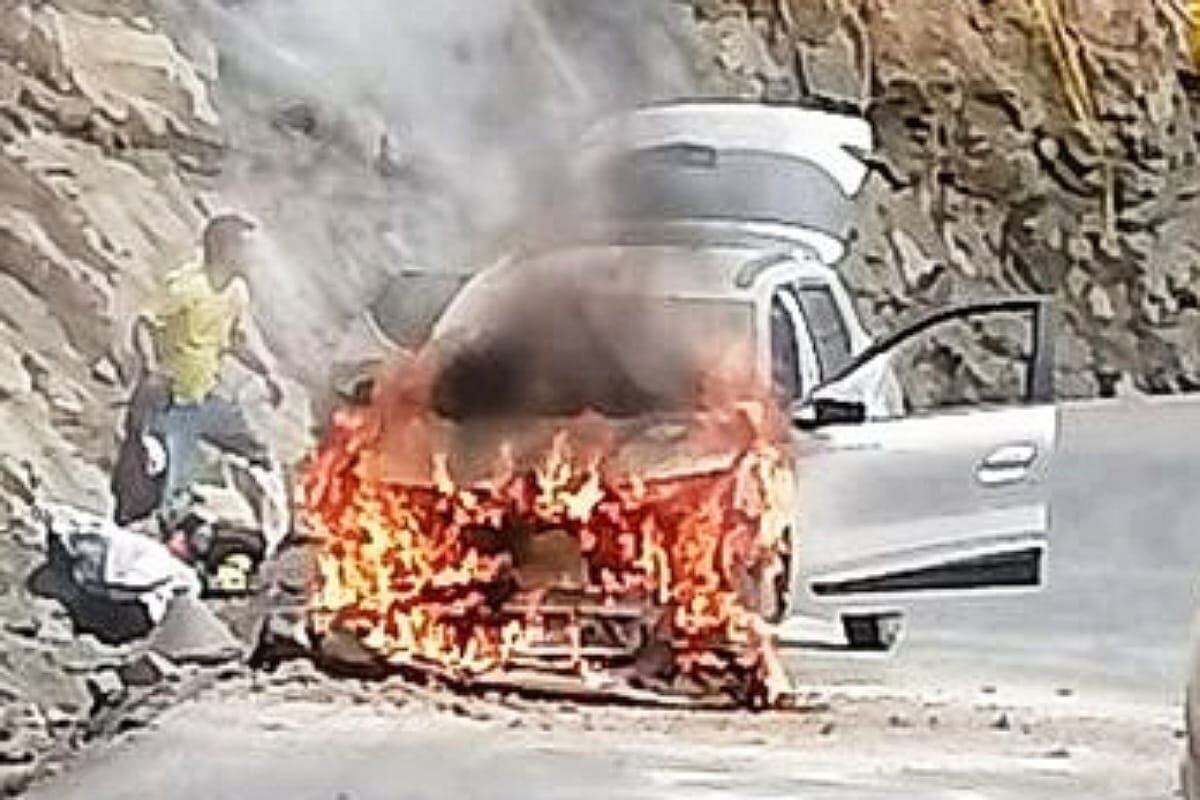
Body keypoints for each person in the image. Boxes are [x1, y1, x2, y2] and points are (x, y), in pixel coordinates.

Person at [117, 214, 285, 532]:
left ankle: (270, 528)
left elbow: (234, 339)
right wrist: (151, 370)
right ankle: (147, 547)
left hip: (205, 398)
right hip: (168, 402)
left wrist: (267, 373)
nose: (253, 258)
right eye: (245, 249)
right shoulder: (186, 286)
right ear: (225, 249)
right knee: (165, 484)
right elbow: (143, 324)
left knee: (258, 452)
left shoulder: (236, 290)